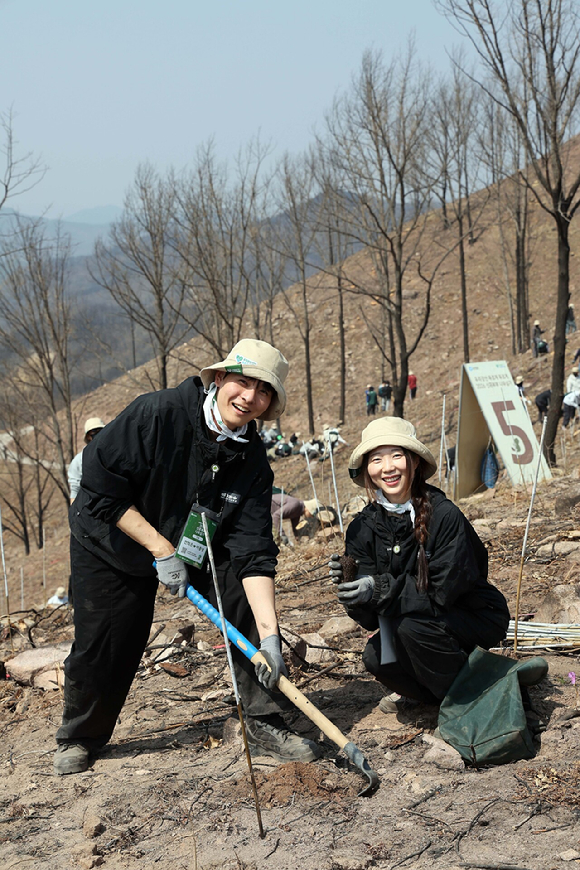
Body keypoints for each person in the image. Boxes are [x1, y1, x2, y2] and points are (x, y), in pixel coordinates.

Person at [54, 339, 320, 775]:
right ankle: (79, 735)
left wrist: (270, 638)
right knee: (108, 640)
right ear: (218, 379)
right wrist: (160, 550)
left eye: (264, 391)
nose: (250, 397)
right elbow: (99, 490)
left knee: (243, 601)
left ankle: (263, 722)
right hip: (110, 540)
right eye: (242, 382)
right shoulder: (156, 414)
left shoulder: (251, 457)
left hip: (193, 543)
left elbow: (253, 548)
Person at [328, 417, 509, 713]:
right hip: (411, 621)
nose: (388, 467)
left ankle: (473, 702)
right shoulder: (362, 527)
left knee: (409, 628)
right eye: (376, 459)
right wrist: (353, 591)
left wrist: (378, 587)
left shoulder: (444, 515)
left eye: (397, 456)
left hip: (468, 615)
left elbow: (442, 592)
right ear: (367, 470)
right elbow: (372, 620)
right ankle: (438, 697)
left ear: (414, 462)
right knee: (377, 657)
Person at [67, 417, 105, 503]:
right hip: (93, 507)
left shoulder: (114, 454)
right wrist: (74, 514)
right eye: (94, 431)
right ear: (88, 436)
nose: (98, 434)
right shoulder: (79, 460)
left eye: (101, 430)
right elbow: (75, 489)